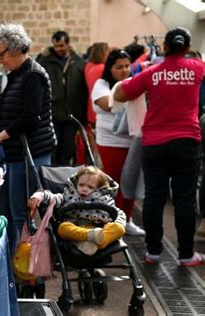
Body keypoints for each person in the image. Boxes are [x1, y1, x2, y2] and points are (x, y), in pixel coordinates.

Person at [114, 27, 205, 266]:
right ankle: (186, 254)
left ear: (164, 47)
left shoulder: (152, 73)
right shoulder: (197, 68)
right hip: (187, 141)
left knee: (154, 197)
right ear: (186, 48)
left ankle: (153, 252)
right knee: (184, 199)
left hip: (154, 143)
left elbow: (123, 94)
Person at [0, 22, 56, 253]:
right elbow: (14, 110)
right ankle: (21, 266)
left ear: (14, 48)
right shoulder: (18, 74)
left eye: (0, 55)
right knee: (17, 213)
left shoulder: (33, 75)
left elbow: (30, 117)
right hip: (20, 153)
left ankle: (26, 271)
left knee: (21, 216)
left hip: (31, 154)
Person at [91, 49, 145, 236]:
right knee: (113, 182)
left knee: (130, 182)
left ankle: (127, 220)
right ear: (110, 68)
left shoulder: (133, 82)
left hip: (133, 140)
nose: (124, 71)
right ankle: (110, 220)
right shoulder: (102, 84)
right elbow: (108, 104)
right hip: (110, 141)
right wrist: (130, 94)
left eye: (127, 66)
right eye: (119, 67)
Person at [28, 166, 126, 255]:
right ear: (76, 184)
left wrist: (118, 223)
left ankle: (94, 243)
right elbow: (53, 197)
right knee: (63, 227)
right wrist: (39, 195)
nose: (84, 189)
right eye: (81, 185)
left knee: (119, 228)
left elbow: (119, 214)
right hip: (76, 229)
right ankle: (90, 237)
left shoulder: (104, 199)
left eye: (90, 187)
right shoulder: (69, 195)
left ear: (98, 188)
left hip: (98, 228)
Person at [36, 30, 88, 166]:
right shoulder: (44, 61)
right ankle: (51, 178)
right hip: (52, 113)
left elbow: (84, 89)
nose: (59, 49)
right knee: (51, 147)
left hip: (72, 114)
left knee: (68, 149)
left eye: (61, 45)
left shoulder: (79, 62)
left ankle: (63, 178)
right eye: (56, 46)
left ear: (68, 44)